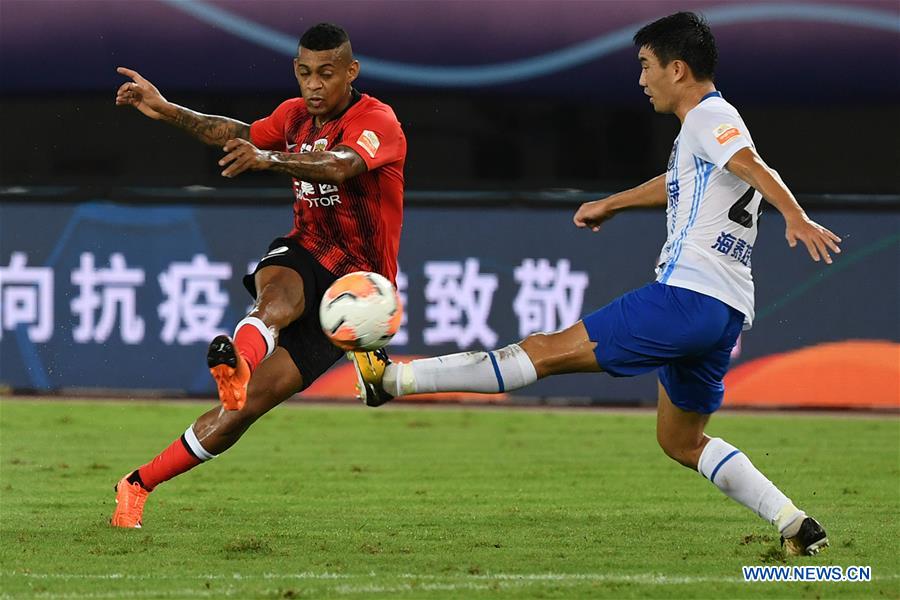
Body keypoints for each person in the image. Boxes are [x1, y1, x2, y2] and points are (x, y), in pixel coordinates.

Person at [352, 12, 840, 556]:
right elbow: (684, 180)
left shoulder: (709, 115)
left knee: (542, 352)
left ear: (678, 69)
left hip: (685, 298)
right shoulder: (708, 128)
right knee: (679, 440)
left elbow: (750, 165)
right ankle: (794, 523)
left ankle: (391, 380)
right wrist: (613, 202)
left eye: (646, 66)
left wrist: (795, 216)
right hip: (723, 312)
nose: (641, 79)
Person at [110, 23, 406, 528]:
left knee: (243, 413)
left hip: (355, 287)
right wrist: (166, 109)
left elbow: (341, 165)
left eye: (326, 74)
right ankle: (237, 368)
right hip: (307, 248)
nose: (313, 85)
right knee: (275, 303)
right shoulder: (293, 117)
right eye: (304, 73)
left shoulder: (377, 120)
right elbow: (236, 133)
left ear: (351, 72)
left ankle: (137, 481)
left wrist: (268, 159)